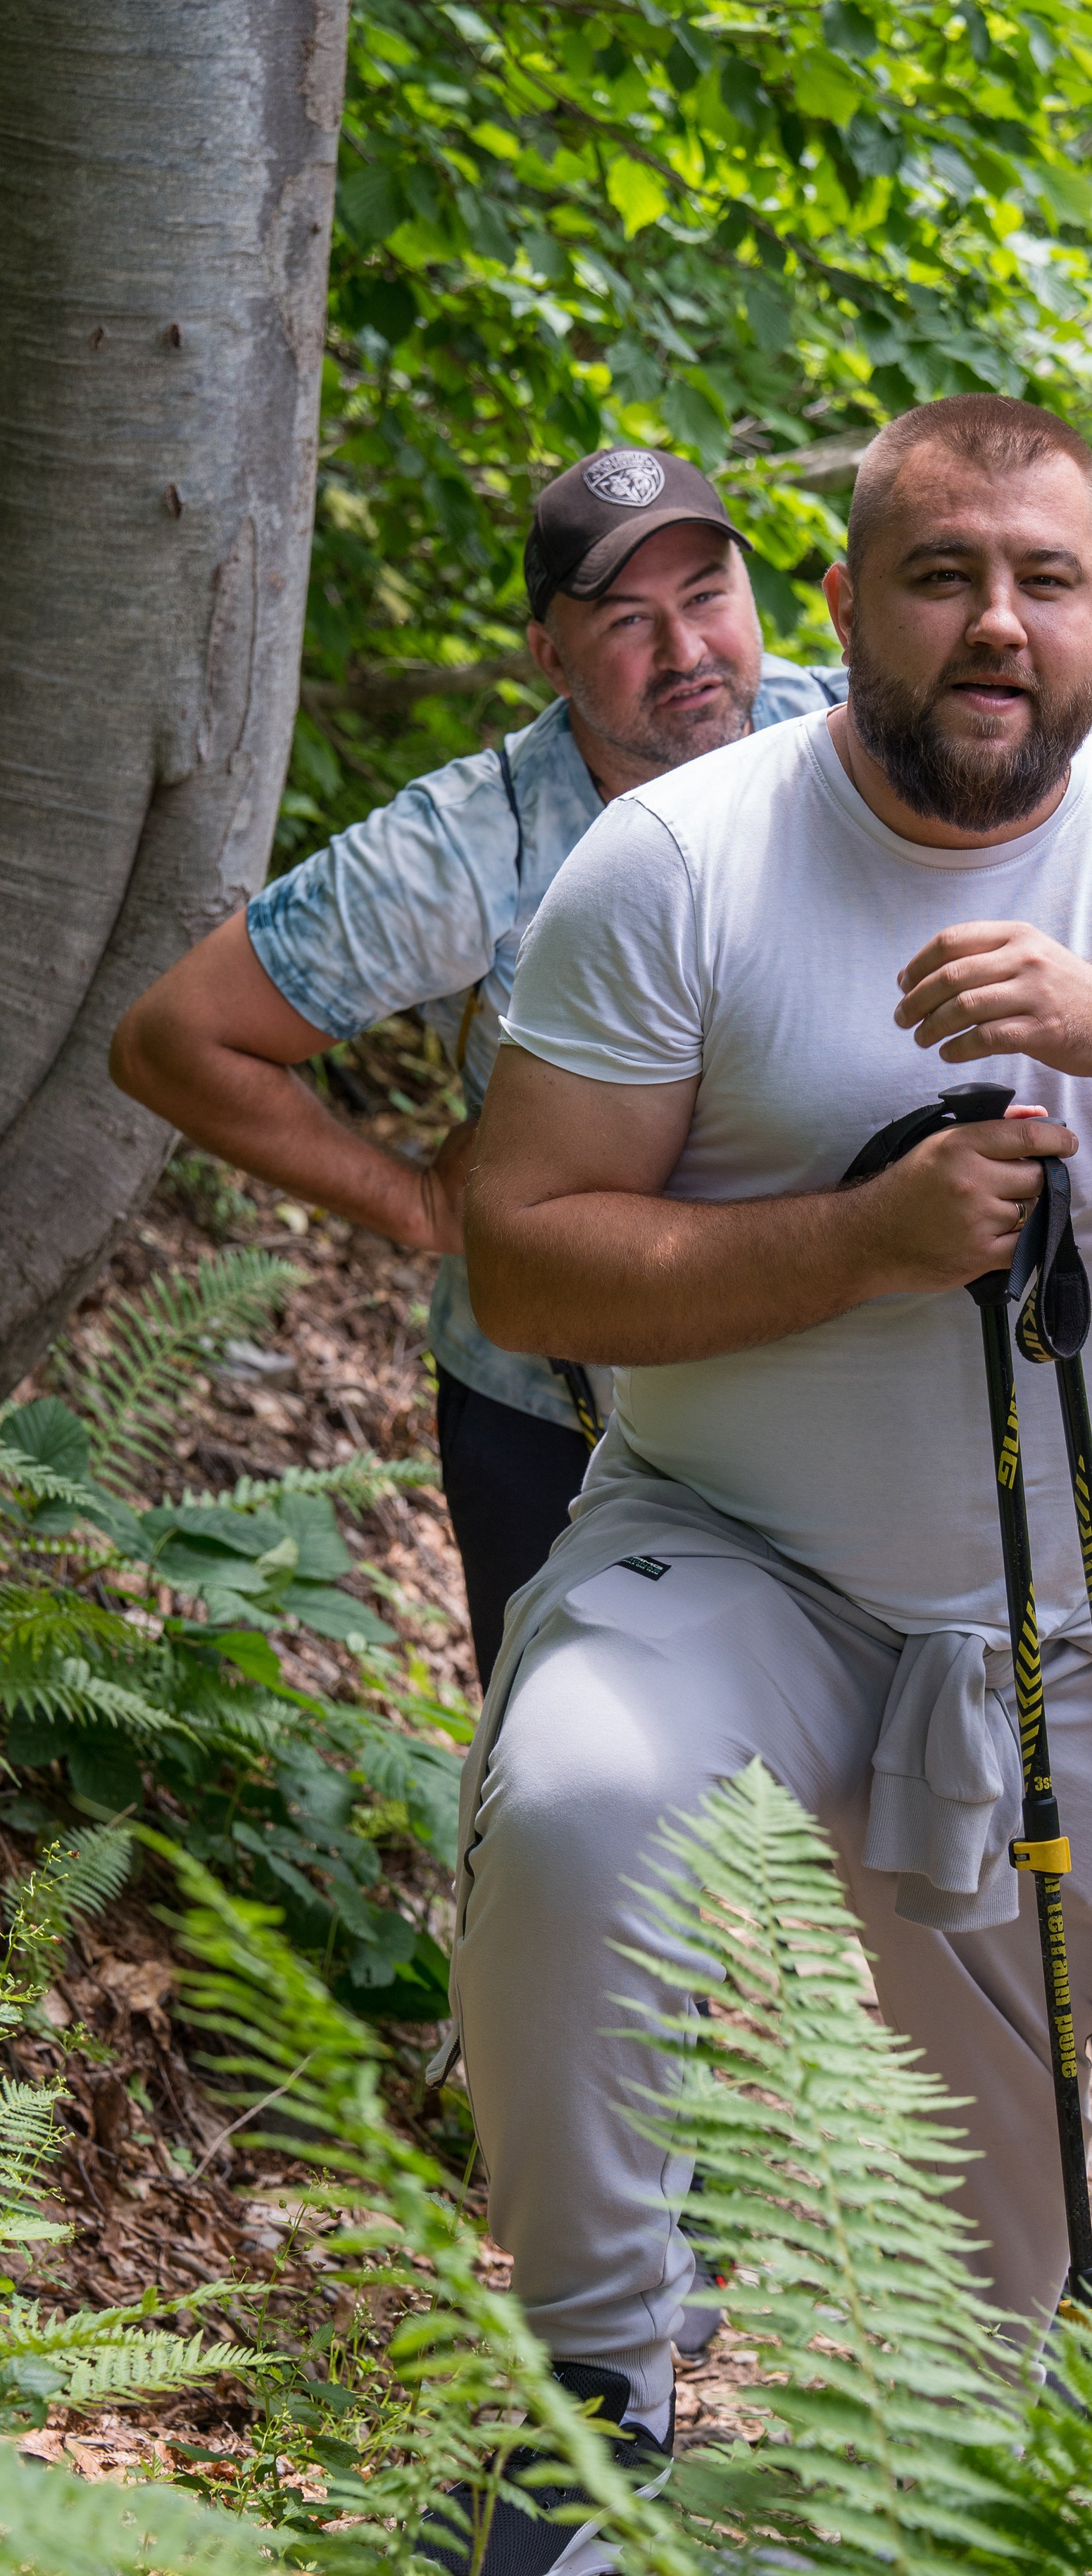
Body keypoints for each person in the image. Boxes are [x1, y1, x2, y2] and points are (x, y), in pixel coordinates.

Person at [439, 392, 1092, 2576]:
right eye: (944, 574)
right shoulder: (682, 861)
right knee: (583, 1798)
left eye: (1048, 580)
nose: (999, 624)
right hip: (725, 1548)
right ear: (846, 605)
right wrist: (857, 1241)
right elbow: (521, 1252)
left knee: (1002, 2318)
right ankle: (591, 2380)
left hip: (1054, 1609)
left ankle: (976, 2522)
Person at [109, 450, 846, 1683]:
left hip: (819, 1394)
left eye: (708, 595)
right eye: (626, 621)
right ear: (549, 659)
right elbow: (175, 1040)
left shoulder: (844, 746)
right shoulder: (472, 843)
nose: (686, 651)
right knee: (563, 1806)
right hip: (557, 1421)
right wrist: (412, 1202)